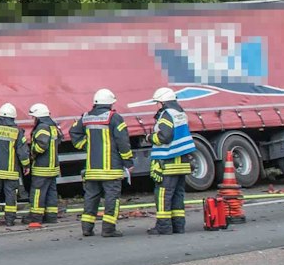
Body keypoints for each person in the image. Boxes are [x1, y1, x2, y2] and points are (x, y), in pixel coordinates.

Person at [72, 88, 132, 237]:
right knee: (111, 199)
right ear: (110, 103)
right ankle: (108, 229)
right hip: (111, 169)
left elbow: (74, 133)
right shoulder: (114, 118)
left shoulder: (86, 117)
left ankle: (87, 228)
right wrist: (128, 161)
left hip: (92, 169)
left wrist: (86, 145)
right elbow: (123, 142)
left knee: (91, 198)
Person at [145, 88, 194, 235]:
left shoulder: (167, 114)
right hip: (182, 161)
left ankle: (164, 226)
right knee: (178, 195)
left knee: (163, 195)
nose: (157, 106)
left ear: (162, 102)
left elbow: (164, 137)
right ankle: (178, 226)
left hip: (168, 161)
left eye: (157, 103)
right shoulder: (180, 113)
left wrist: (150, 138)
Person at [25, 104, 61, 228]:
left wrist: (32, 152)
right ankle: (51, 217)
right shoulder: (53, 126)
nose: (33, 119)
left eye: (34, 117)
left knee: (37, 192)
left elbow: (41, 145)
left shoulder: (42, 127)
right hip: (53, 167)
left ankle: (36, 217)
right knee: (51, 192)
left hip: (42, 167)